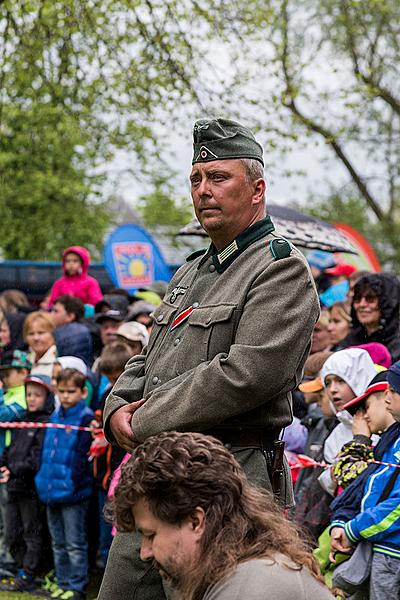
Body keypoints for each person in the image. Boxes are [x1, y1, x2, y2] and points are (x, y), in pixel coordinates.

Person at [99, 118, 320, 599]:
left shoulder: (278, 268)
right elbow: (148, 356)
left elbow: (248, 374)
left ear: (257, 189)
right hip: (157, 473)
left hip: (231, 481)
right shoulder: (192, 269)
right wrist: (115, 407)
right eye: (197, 179)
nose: (204, 190)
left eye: (219, 178)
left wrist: (145, 420)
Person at [112, 431, 333, 600]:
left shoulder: (248, 589)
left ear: (195, 521)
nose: (144, 553)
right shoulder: (241, 572)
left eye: (150, 535)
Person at [329, 386, 400, 599]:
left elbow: (347, 476)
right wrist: (342, 523)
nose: (363, 417)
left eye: (366, 407)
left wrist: (360, 441)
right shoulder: (387, 444)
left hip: (389, 549)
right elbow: (360, 490)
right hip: (373, 542)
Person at [35, 368, 94, 600]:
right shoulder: (54, 417)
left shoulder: (86, 418)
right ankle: (62, 582)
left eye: (71, 391)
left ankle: (76, 587)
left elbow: (82, 459)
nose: (66, 396)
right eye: (62, 391)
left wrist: (73, 484)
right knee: (58, 542)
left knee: (74, 543)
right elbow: (45, 452)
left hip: (74, 493)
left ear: (82, 392)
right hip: (50, 489)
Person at [0, 374, 54, 593]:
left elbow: (35, 457)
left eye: (37, 395)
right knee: (12, 532)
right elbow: (11, 449)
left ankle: (29, 573)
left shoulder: (45, 422)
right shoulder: (22, 419)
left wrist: (13, 469)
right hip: (13, 485)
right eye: (28, 394)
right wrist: (3, 465)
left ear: (47, 398)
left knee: (31, 531)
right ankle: (21, 567)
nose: (32, 399)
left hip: (29, 488)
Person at [341, 272, 400, 362]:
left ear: (386, 303)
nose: (362, 304)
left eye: (370, 299)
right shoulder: (352, 337)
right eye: (357, 298)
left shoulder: (396, 342)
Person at [51, 295, 93, 366]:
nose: (51, 314)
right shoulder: (80, 331)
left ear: (70, 316)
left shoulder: (74, 335)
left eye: (56, 311)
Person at [24, 312, 58, 378]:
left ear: (53, 334)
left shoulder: (58, 360)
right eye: (31, 333)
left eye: (41, 333)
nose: (36, 338)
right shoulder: (24, 360)